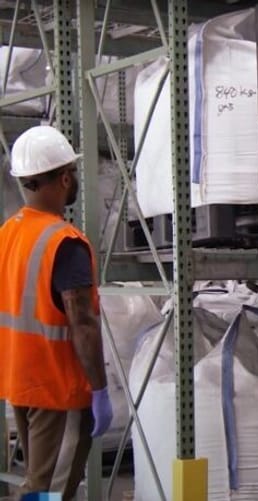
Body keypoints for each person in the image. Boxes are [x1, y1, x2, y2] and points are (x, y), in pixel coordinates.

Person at [0, 126, 113, 500]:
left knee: (39, 485)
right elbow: (83, 323)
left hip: (20, 384)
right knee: (47, 492)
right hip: (57, 391)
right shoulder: (64, 243)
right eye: (73, 172)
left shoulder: (7, 234)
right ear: (64, 178)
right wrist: (100, 390)